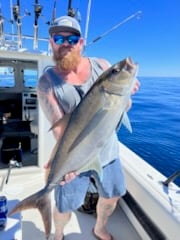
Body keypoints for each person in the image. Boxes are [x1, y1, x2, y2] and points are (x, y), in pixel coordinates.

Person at [37, 15, 140, 240]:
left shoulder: (102, 66)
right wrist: (61, 164)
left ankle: (99, 228)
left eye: (72, 38)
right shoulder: (47, 83)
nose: (66, 43)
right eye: (59, 37)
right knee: (66, 206)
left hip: (108, 152)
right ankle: (59, 234)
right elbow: (60, 130)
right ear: (51, 42)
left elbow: (124, 108)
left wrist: (126, 94)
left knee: (112, 196)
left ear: (81, 43)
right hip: (76, 158)